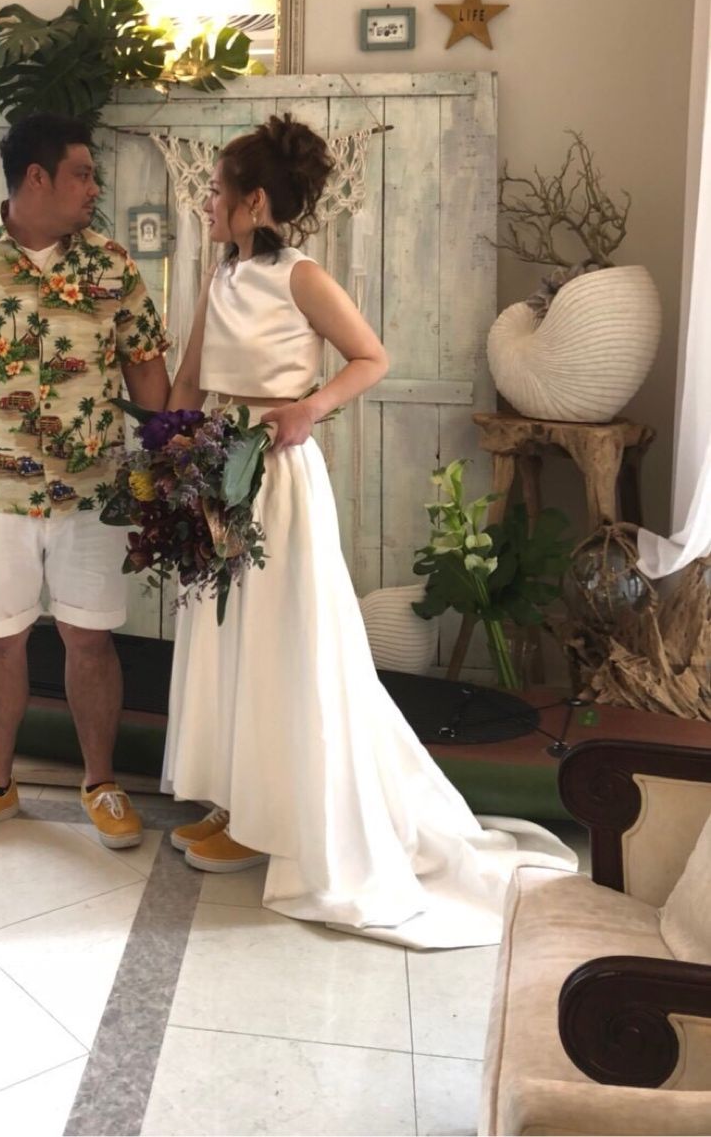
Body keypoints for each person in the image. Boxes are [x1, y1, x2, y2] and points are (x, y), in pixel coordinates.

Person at [162, 114, 575, 948]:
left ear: (252, 201)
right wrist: (169, 457)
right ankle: (240, 802)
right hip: (216, 470)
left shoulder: (302, 277)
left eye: (214, 190)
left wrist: (308, 409)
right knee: (226, 637)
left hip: (276, 478)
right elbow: (190, 374)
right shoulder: (221, 274)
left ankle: (283, 817)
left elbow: (369, 357)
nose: (204, 201)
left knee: (282, 642)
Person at [0, 113, 171, 850]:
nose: (94, 187)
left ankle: (101, 783)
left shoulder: (112, 267)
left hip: (94, 494)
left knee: (92, 640)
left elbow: (147, 371)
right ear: (37, 178)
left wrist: (164, 477)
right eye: (82, 174)